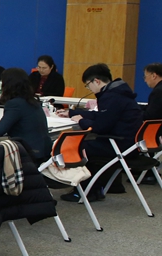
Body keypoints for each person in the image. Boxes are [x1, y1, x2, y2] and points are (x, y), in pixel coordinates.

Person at [57, 64, 143, 201]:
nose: (89, 89)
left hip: (120, 145)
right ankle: (94, 189)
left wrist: (82, 121)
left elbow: (101, 127)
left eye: (88, 85)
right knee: (89, 145)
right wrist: (72, 113)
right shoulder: (119, 93)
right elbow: (102, 116)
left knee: (79, 147)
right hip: (130, 144)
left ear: (96, 81)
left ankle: (85, 191)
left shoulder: (111, 97)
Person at [0, 68, 52, 160]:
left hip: (30, 153)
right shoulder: (32, 101)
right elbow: (24, 120)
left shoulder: (14, 104)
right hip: (44, 151)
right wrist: (2, 121)